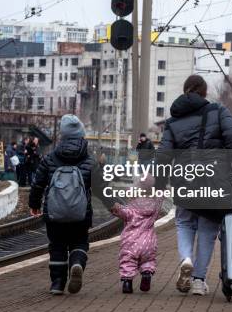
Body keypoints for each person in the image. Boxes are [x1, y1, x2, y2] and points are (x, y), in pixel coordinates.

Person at [156, 74, 232, 296]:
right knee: (208, 228)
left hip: (185, 178)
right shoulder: (217, 111)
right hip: (216, 178)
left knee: (185, 222)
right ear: (204, 93)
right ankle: (198, 280)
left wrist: (159, 183)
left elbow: (164, 155)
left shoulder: (173, 121)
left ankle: (186, 259)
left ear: (185, 90)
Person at [29, 114, 113, 295]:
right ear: (82, 135)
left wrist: (34, 204)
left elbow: (38, 184)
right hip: (80, 214)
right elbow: (101, 187)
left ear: (62, 136)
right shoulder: (90, 161)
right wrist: (114, 206)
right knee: (80, 242)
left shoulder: (50, 158)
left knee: (57, 246)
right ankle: (76, 263)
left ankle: (57, 283)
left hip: (54, 214)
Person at [111, 173, 163, 294]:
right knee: (148, 261)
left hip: (131, 242)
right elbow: (160, 199)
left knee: (128, 261)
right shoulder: (155, 206)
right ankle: (146, 275)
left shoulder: (131, 209)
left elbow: (122, 212)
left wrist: (117, 208)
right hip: (149, 243)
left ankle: (127, 283)